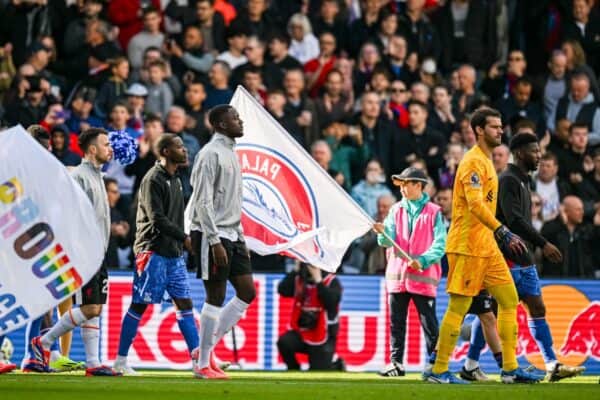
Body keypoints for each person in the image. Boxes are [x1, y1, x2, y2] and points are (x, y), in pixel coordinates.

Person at [423, 107, 540, 384]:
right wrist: (502, 231)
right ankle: (438, 370)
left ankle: (510, 370)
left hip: (487, 247)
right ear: (479, 130)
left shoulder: (487, 161)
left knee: (510, 300)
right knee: (458, 307)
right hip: (467, 246)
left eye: (501, 126)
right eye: (495, 127)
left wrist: (497, 234)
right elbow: (475, 205)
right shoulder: (473, 162)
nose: (501, 131)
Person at [496, 132, 585, 381]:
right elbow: (513, 220)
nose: (538, 156)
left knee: (536, 307)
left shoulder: (524, 180)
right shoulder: (508, 180)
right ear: (520, 153)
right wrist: (543, 243)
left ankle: (551, 364)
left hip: (523, 256)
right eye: (534, 151)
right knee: (495, 310)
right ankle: (473, 361)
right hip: (508, 256)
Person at [31, 128, 121, 376]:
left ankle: (93, 362)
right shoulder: (79, 176)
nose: (109, 148)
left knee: (96, 308)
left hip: (99, 251)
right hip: (85, 252)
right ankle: (45, 342)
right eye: (105, 144)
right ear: (92, 150)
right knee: (90, 308)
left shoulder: (98, 176)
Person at [113, 133, 203, 377]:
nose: (185, 150)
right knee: (140, 304)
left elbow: (174, 218)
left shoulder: (177, 180)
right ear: (164, 151)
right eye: (179, 147)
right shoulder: (153, 179)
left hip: (173, 253)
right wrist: (184, 238)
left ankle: (198, 361)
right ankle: (120, 360)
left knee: (184, 303)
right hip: (151, 251)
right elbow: (157, 219)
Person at [187, 105, 256, 379]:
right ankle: (203, 364)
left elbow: (231, 202)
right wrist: (214, 240)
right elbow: (202, 201)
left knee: (247, 291)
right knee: (214, 296)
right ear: (220, 124)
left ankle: (205, 349)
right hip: (209, 233)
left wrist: (240, 236)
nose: (240, 121)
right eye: (234, 118)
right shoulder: (209, 154)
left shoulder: (231, 154)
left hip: (232, 233)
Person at [373, 167, 446, 377]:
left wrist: (422, 260)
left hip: (422, 277)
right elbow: (386, 241)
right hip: (397, 276)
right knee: (396, 323)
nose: (403, 188)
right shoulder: (396, 210)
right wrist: (382, 233)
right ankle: (396, 363)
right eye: (402, 184)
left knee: (429, 323)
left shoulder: (434, 212)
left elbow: (441, 244)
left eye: (407, 184)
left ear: (419, 186)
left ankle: (436, 364)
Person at [277, 263, 343, 371]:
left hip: (323, 336)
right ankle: (293, 369)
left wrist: (318, 281)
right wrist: (295, 269)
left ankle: (336, 366)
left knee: (318, 373)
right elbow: (283, 290)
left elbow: (331, 303)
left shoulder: (331, 281)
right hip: (302, 332)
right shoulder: (300, 280)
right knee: (285, 342)